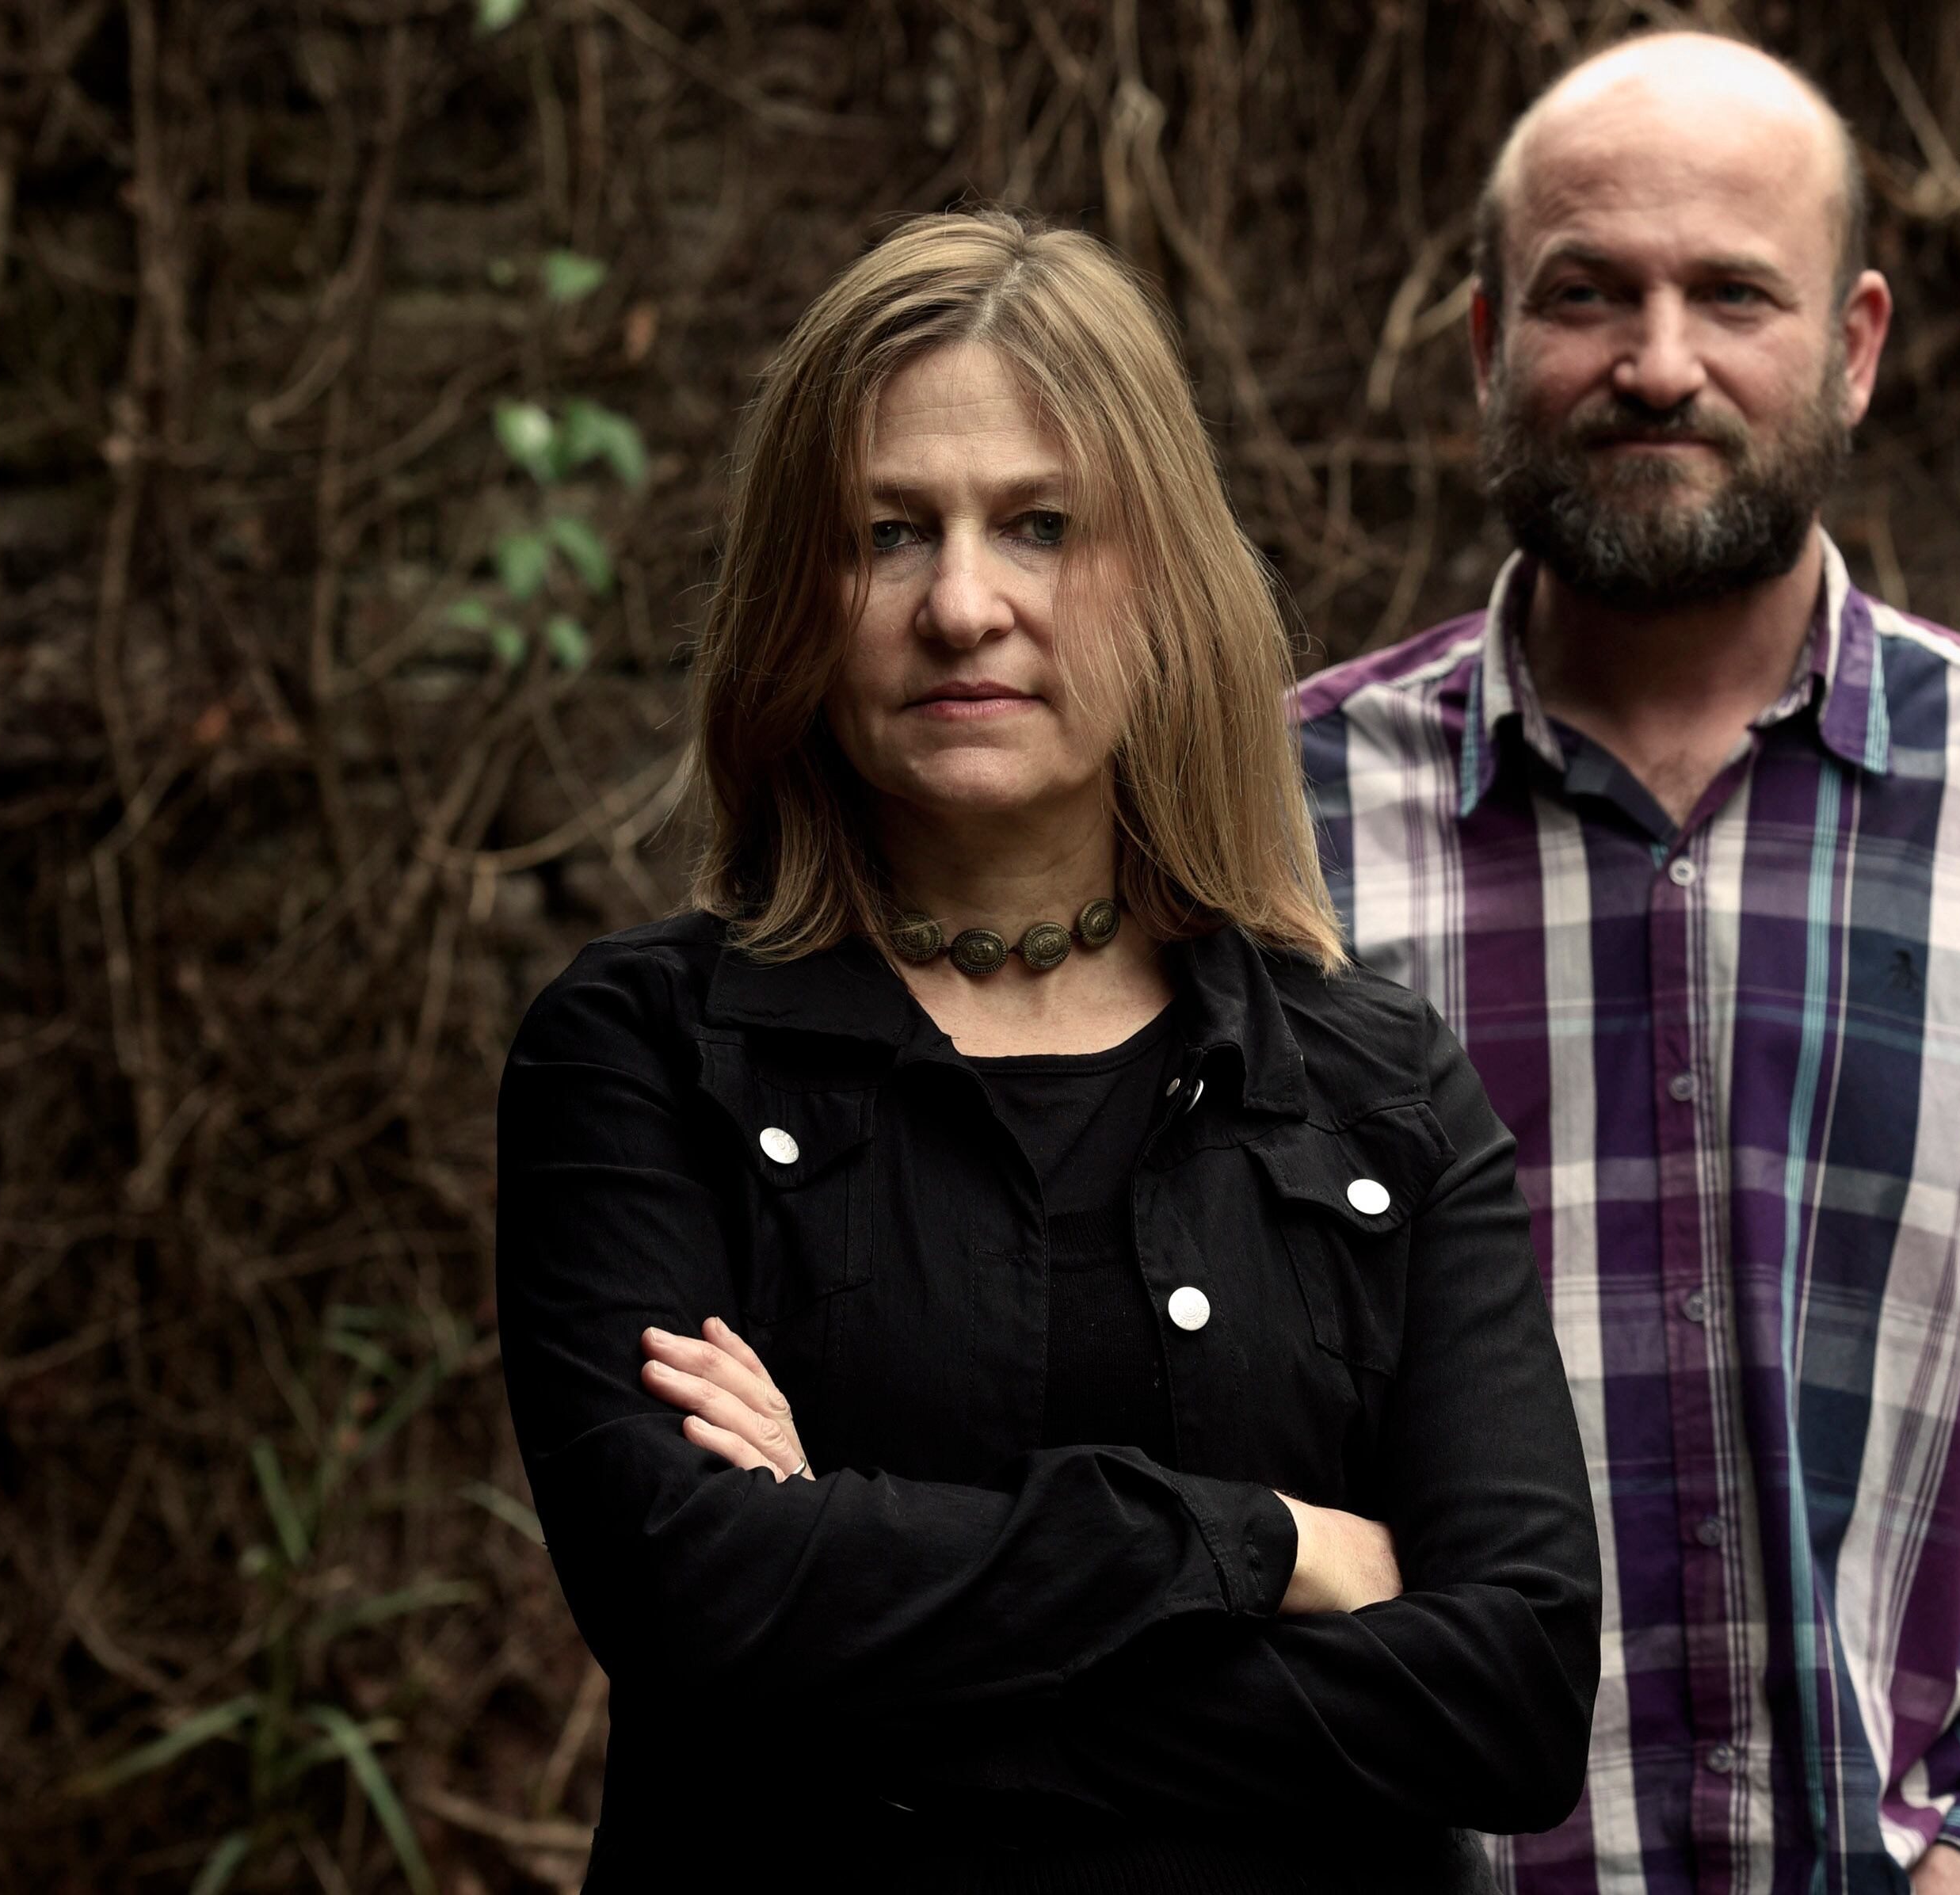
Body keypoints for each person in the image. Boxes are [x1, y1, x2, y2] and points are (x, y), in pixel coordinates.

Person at [1295, 35, 1960, 1895]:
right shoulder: (1268, 838)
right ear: (1481, 342)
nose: (1656, 362)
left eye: (1730, 294)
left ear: (1852, 345)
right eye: (1584, 295)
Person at [494, 208, 1600, 1892]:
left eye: (1038, 524)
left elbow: (1508, 1701)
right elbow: (693, 1599)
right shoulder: (645, 1056)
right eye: (885, 532)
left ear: (1157, 577)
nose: (960, 604)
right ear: (800, 593)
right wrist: (1266, 1540)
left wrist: (854, 1616)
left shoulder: (1376, 1090)